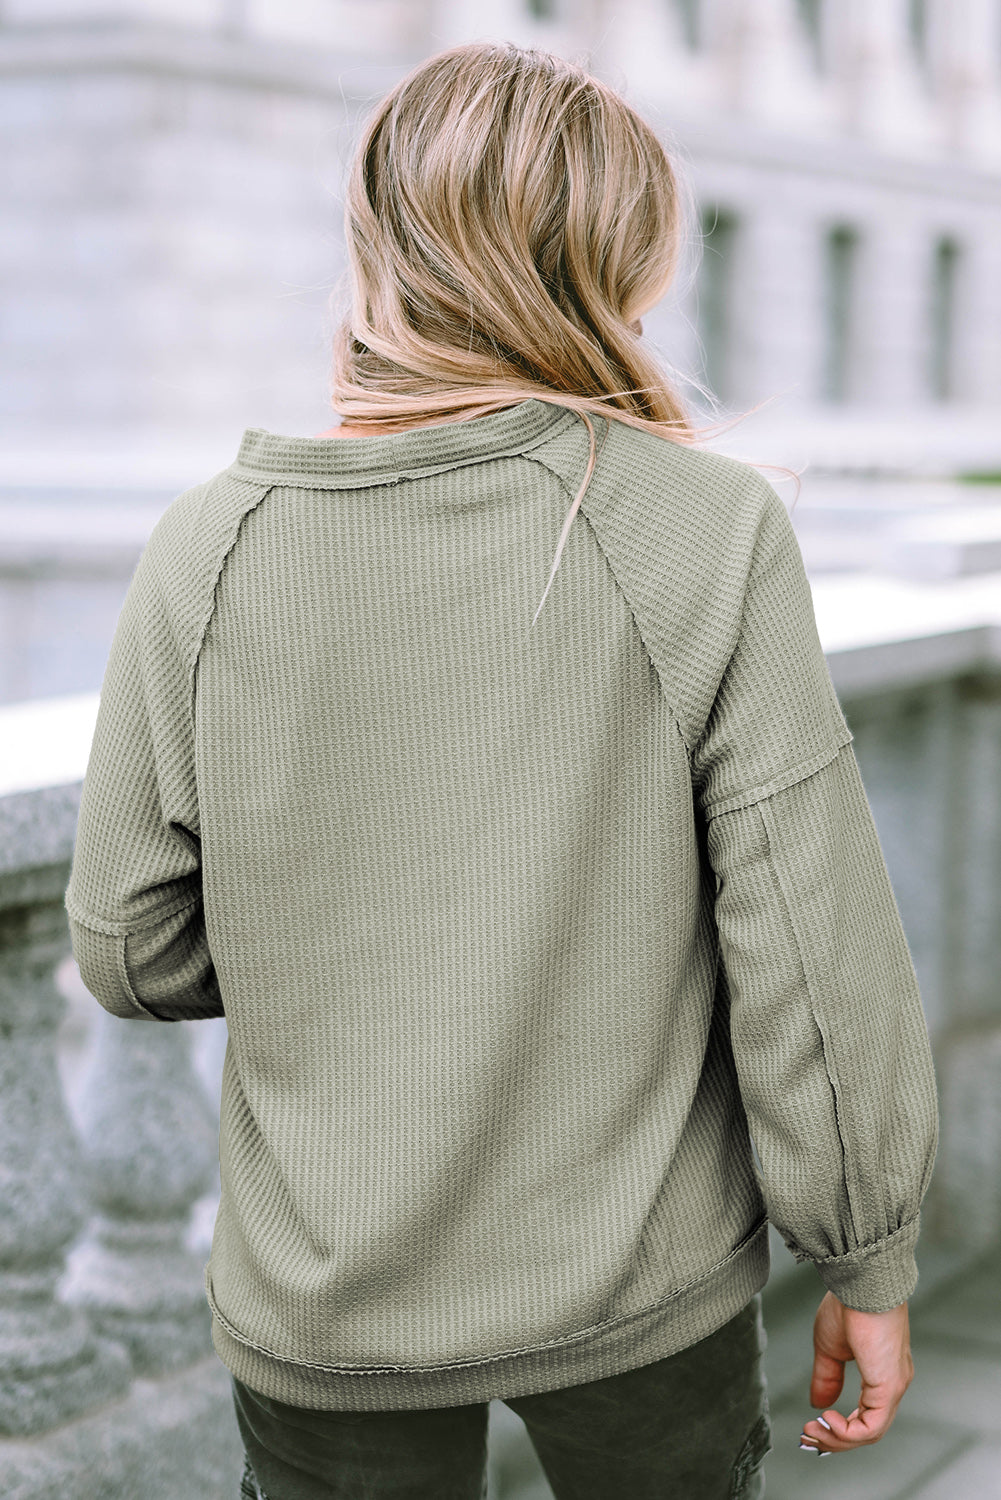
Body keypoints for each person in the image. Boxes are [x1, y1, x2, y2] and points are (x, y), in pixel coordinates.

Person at [64, 39, 939, 1500]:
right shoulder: (701, 531)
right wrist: (865, 1248)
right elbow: (806, 947)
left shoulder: (208, 548)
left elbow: (127, 948)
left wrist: (348, 942)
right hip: (634, 1292)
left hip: (323, 1295)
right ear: (622, 265)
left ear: (379, 249)